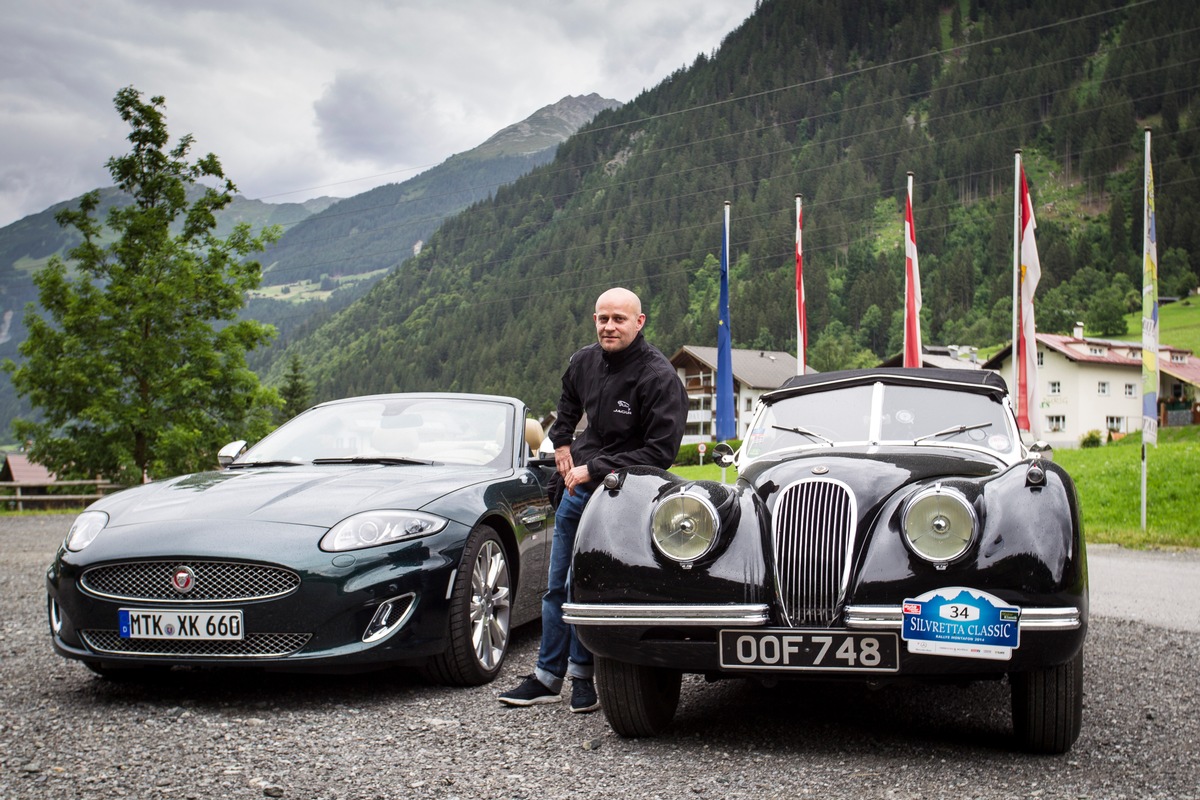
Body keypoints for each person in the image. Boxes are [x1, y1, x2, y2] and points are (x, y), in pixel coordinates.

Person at [499, 287, 688, 712]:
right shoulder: (584, 361)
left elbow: (660, 453)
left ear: (639, 322)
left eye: (619, 319)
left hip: (629, 495)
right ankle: (548, 677)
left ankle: (585, 679)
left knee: (592, 588)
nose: (609, 326)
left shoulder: (659, 377)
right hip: (579, 486)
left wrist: (596, 468)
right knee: (557, 585)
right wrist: (562, 443)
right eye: (602, 318)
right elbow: (567, 401)